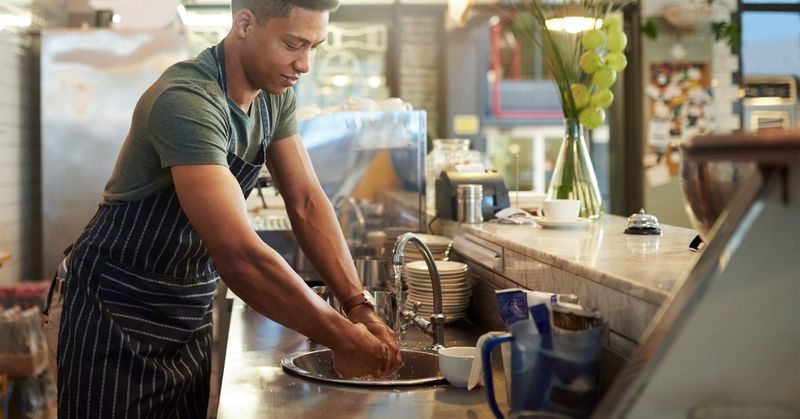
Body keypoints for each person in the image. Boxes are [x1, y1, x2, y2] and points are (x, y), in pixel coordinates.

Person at [46, 0, 402, 416]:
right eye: (293, 44)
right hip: (115, 310)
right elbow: (237, 252)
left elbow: (305, 201)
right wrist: (343, 336)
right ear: (245, 23)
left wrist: (358, 305)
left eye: (314, 47)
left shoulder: (275, 97)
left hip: (187, 308)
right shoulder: (187, 100)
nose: (304, 64)